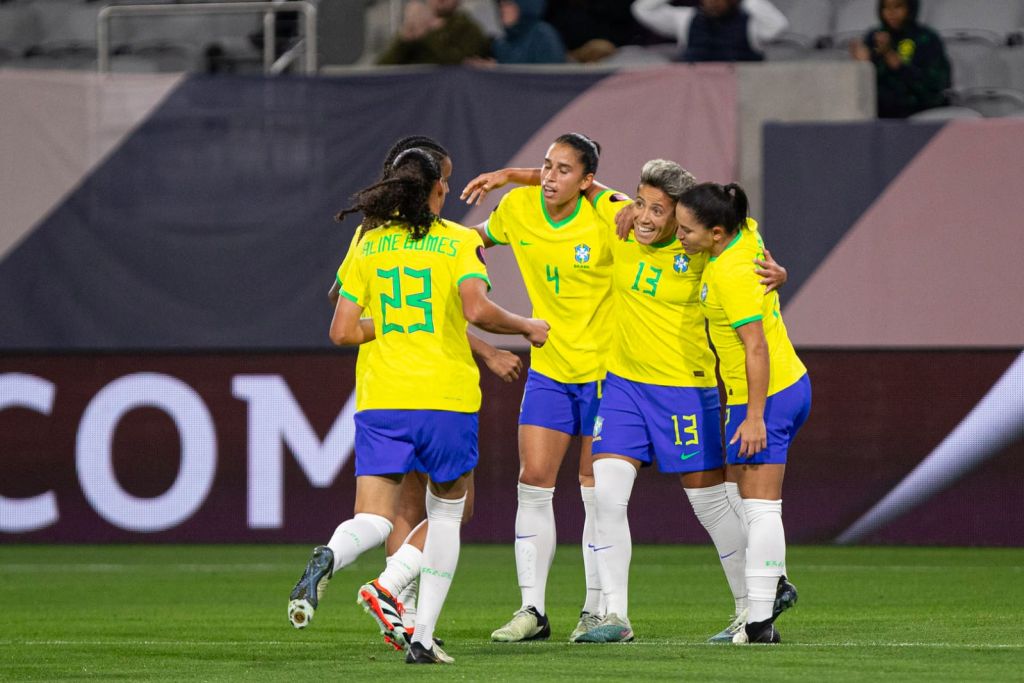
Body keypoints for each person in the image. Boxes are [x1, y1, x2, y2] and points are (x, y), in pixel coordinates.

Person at [286, 147, 549, 664]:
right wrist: (525, 326)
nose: (449, 191)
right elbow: (477, 309)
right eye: (444, 185)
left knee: (376, 518)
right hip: (443, 398)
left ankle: (333, 555)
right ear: (431, 190)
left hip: (382, 398)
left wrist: (388, 323)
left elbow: (341, 331)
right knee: (449, 514)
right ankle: (415, 626)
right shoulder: (457, 241)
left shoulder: (369, 243)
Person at [460, 133, 623, 643]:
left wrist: (512, 172)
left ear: (588, 181)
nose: (550, 177)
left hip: (605, 371)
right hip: (550, 369)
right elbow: (469, 241)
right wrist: (466, 261)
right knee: (532, 482)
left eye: (564, 170)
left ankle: (599, 612)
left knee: (596, 494)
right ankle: (532, 610)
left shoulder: (605, 216)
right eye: (545, 167)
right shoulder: (518, 210)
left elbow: (642, 212)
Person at [675, 181, 811, 644]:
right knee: (737, 494)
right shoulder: (743, 231)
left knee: (759, 506)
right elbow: (754, 240)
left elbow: (755, 347)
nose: (680, 237)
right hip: (769, 391)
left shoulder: (731, 272)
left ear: (715, 233)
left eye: (687, 230)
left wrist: (755, 417)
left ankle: (759, 622)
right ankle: (774, 586)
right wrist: (783, 274)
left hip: (766, 395)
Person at [849, 0, 951, 119]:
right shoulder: (873, 38)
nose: (891, 13)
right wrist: (862, 65)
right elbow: (863, 89)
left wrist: (893, 59)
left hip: (921, 115)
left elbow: (935, 85)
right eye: (886, 8)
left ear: (910, 9)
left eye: (898, 7)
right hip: (879, 117)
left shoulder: (926, 39)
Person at [631, 0, 788, 62]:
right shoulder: (686, 19)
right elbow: (643, 10)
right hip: (695, 95)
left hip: (741, 96)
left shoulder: (751, 25)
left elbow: (778, 26)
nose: (712, 2)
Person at [377, 0, 491, 66]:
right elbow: (383, 68)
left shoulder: (469, 29)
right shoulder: (416, 26)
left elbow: (458, 62)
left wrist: (430, 31)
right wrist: (404, 40)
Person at [492, 0, 567, 64]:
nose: (502, 10)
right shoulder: (501, 42)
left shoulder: (543, 36)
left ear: (525, 6)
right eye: (501, 5)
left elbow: (553, 77)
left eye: (508, 4)